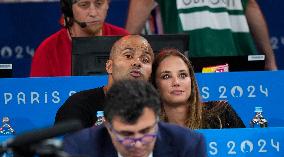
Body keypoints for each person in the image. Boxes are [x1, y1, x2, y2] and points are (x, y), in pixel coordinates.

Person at [64, 79, 210, 157]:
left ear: (157, 119)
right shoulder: (80, 149)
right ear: (107, 125)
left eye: (146, 131)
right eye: (126, 134)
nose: (138, 144)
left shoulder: (189, 145)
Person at [126, 0, 277, 70]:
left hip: (186, 60)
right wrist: (270, 61)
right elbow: (251, 5)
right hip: (235, 58)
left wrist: (124, 50)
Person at [54, 35, 154, 128]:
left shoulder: (156, 108)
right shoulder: (79, 105)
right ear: (109, 66)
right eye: (128, 56)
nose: (137, 63)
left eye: (145, 60)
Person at [151, 48, 246, 129]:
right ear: (155, 85)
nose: (176, 82)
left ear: (191, 81)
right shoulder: (148, 128)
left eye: (182, 75)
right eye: (166, 76)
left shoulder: (221, 114)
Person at [30, 0, 129, 77]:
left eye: (99, 3)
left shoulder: (125, 41)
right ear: (69, 10)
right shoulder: (48, 50)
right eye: (84, 5)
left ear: (108, 4)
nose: (93, 13)